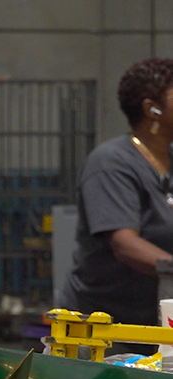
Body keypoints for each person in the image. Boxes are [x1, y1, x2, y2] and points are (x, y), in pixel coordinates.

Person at [60, 58, 173, 351]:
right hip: (105, 331)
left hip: (156, 323)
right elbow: (125, 244)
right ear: (152, 109)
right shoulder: (111, 164)